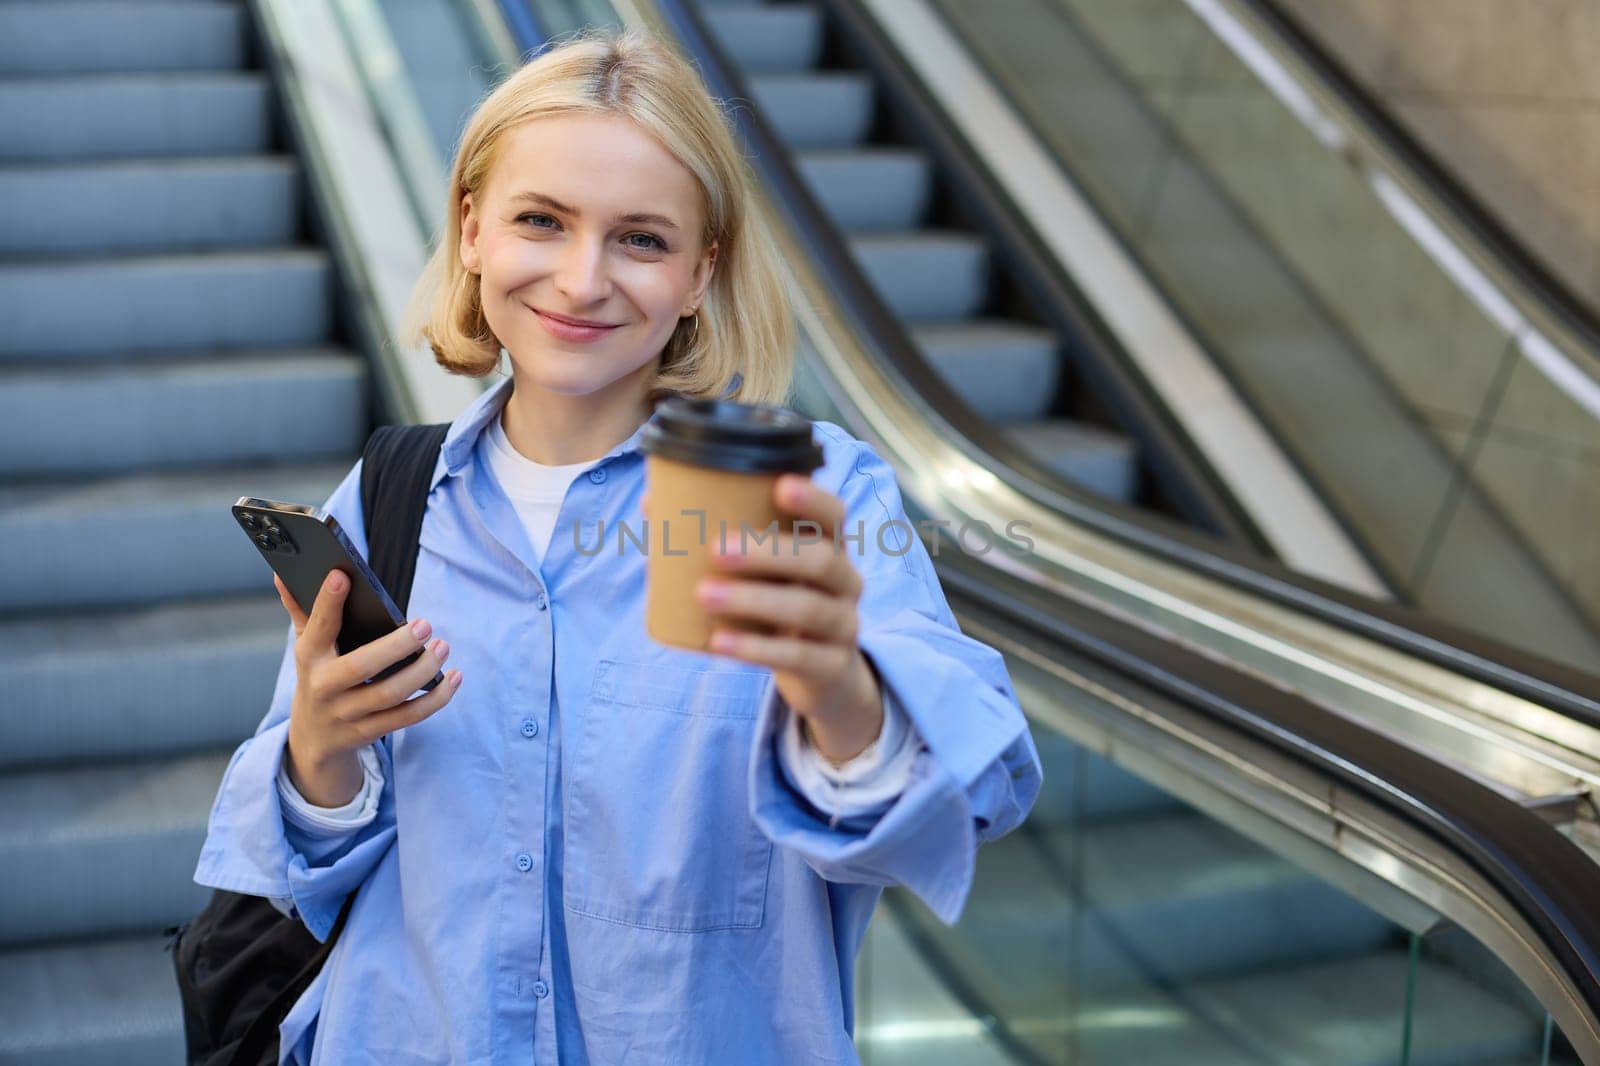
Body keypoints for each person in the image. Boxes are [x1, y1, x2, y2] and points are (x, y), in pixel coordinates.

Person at [193, 26, 1041, 1065]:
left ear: (700, 272)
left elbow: (981, 791)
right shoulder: (390, 494)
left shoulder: (798, 492)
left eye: (641, 239)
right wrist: (317, 752)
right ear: (471, 231)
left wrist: (842, 696)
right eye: (540, 221)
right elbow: (301, 875)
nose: (582, 279)